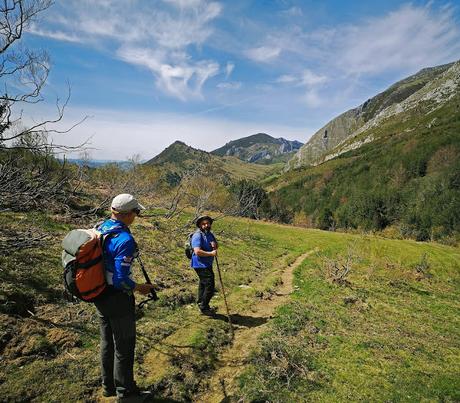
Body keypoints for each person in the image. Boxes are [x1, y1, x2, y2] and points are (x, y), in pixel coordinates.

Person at [94, 193, 155, 400]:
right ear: (128, 214)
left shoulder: (100, 228)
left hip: (99, 293)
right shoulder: (125, 239)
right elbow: (121, 279)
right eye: (136, 212)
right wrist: (140, 287)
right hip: (118, 298)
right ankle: (126, 393)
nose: (137, 216)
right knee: (125, 346)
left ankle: (108, 386)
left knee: (107, 342)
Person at [190, 215, 218, 316]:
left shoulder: (210, 234)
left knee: (203, 283)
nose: (206, 225)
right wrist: (211, 254)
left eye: (207, 223)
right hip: (199, 263)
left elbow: (215, 245)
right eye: (203, 224)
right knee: (210, 284)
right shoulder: (197, 235)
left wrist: (215, 246)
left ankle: (201, 302)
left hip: (207, 263)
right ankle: (204, 307)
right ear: (200, 225)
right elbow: (197, 251)